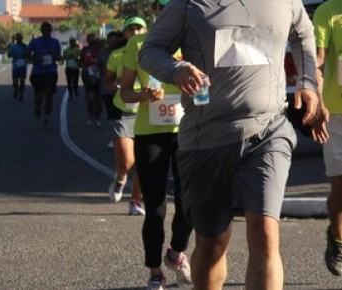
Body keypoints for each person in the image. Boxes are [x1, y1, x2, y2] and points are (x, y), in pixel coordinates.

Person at [139, 0, 324, 289]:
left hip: (268, 128)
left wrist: (307, 81)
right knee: (212, 242)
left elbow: (303, 33)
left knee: (265, 232)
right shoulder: (188, 4)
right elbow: (150, 51)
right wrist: (177, 69)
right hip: (207, 137)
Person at [121, 1, 193, 289]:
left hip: (187, 130)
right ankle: (154, 270)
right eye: (163, 5)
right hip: (150, 133)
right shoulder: (138, 43)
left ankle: (175, 253)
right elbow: (125, 92)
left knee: (189, 204)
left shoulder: (193, 37)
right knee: (156, 208)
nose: (168, 10)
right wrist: (143, 96)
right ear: (154, 8)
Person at [104, 16, 147, 216]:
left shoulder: (152, 52)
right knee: (127, 161)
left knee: (144, 160)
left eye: (139, 29)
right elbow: (108, 82)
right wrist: (118, 86)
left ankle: (135, 201)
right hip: (122, 110)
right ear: (125, 33)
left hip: (146, 111)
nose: (135, 32)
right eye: (131, 29)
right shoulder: (116, 55)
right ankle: (120, 178)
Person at [313, 0, 342, 276]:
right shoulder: (328, 11)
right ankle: (337, 236)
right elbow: (319, 61)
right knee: (341, 185)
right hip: (337, 112)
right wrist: (318, 101)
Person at [26, 21, 62, 128]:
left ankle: (46, 117)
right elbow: (27, 53)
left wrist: (54, 55)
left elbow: (59, 57)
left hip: (51, 72)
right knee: (39, 96)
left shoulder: (55, 42)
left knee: (49, 95)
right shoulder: (35, 42)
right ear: (41, 31)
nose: (46, 33)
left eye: (48, 31)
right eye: (44, 31)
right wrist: (35, 59)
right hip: (37, 72)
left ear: (50, 31)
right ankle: (38, 106)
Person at [98, 30, 125, 148]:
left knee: (122, 114)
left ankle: (123, 136)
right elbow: (99, 66)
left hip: (125, 89)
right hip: (108, 90)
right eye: (111, 39)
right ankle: (113, 137)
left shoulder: (129, 51)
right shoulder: (105, 52)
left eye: (115, 38)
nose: (113, 41)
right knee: (112, 114)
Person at [80, 33, 104, 127]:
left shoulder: (102, 50)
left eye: (94, 40)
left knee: (99, 100)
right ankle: (90, 116)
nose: (92, 42)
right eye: (90, 39)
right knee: (91, 98)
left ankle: (97, 118)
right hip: (88, 76)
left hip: (101, 77)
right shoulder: (85, 50)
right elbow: (80, 62)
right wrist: (85, 69)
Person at [7, 32, 28, 101]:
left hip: (23, 67)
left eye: (20, 38)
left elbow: (29, 54)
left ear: (22, 39)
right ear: (16, 39)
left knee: (22, 81)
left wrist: (26, 55)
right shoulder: (13, 47)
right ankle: (16, 89)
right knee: (15, 82)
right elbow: (9, 55)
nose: (19, 39)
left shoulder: (25, 46)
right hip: (15, 67)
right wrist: (12, 53)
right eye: (17, 38)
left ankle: (21, 95)